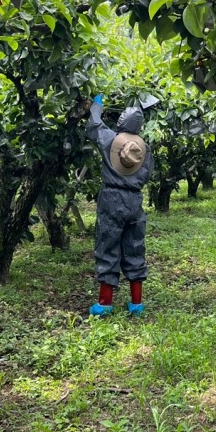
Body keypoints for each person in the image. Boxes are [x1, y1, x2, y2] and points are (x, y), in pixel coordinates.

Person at [85, 93, 153, 316]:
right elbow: (146, 175)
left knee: (107, 246)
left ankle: (105, 303)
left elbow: (94, 125)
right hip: (135, 199)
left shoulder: (110, 140)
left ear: (122, 121)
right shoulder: (144, 149)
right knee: (135, 247)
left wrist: (97, 105)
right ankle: (136, 304)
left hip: (112, 199)